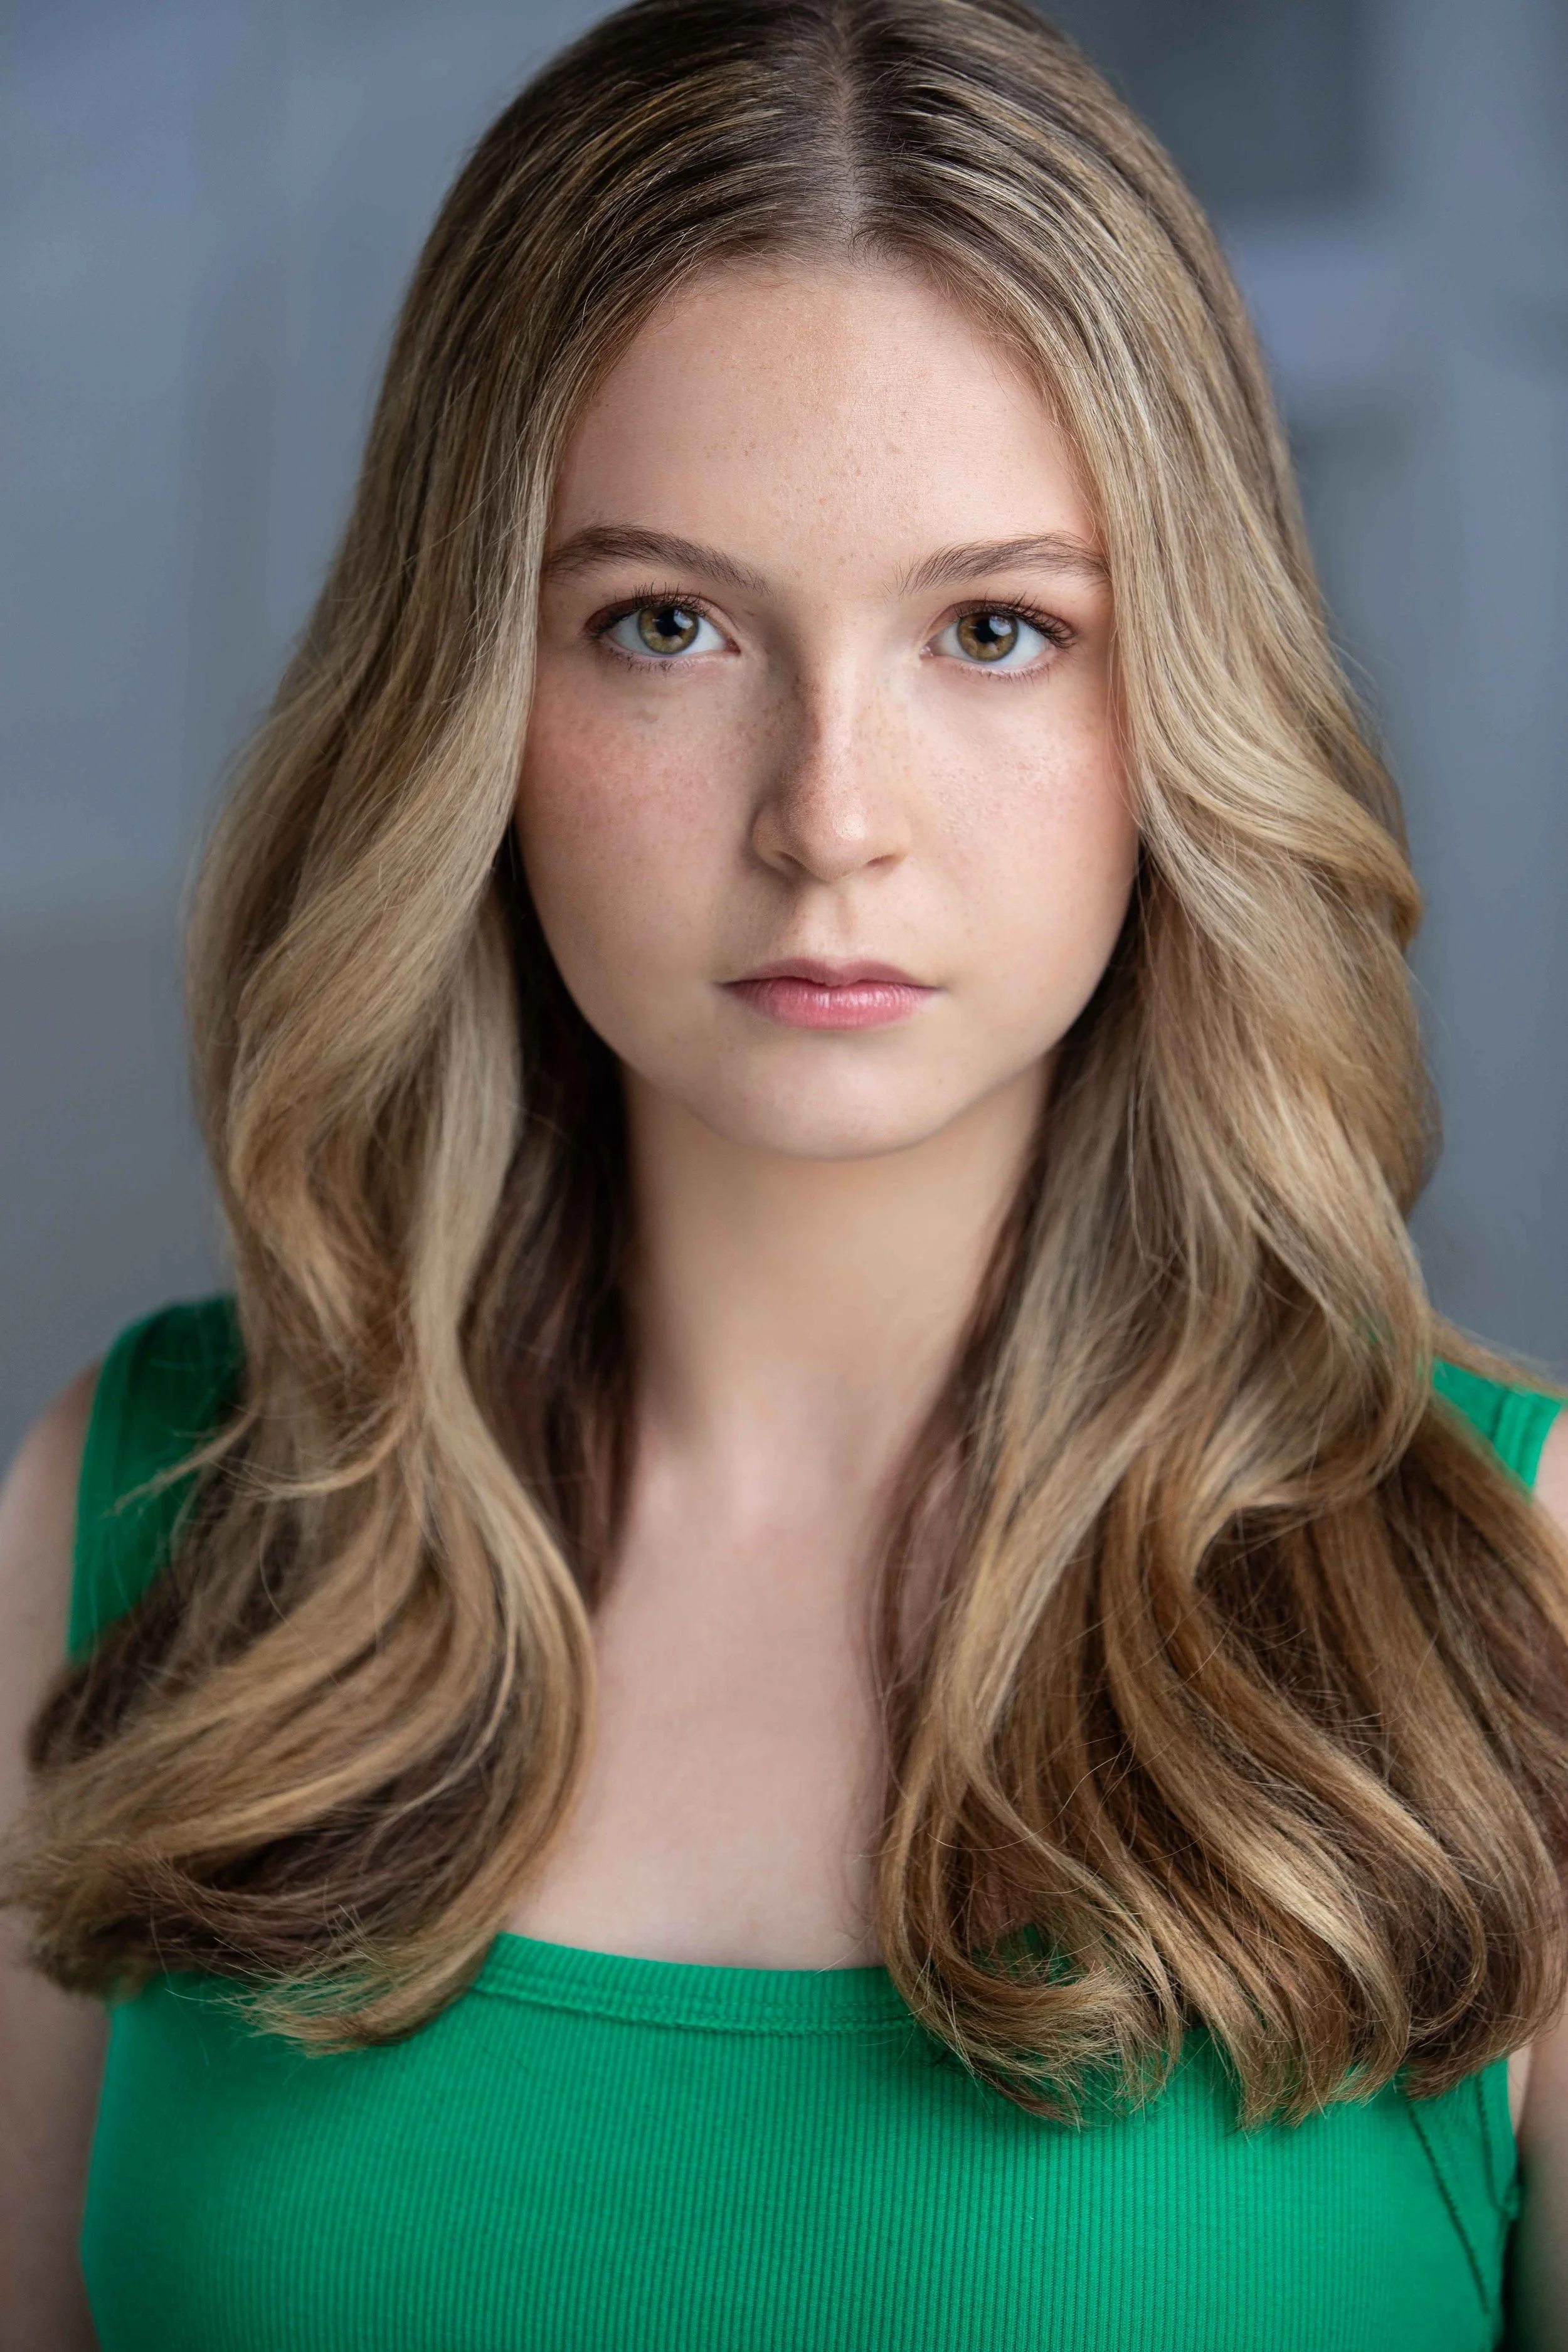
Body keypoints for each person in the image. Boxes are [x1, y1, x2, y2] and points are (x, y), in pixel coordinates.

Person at [3, 0, 1567, 2342]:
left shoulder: (1519, 1594)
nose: (827, 814)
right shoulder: (129, 1525)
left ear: (1185, 709)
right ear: (465, 700)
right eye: (669, 623)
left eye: (996, 631)